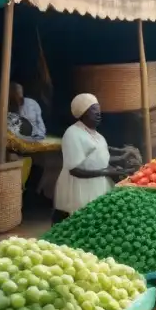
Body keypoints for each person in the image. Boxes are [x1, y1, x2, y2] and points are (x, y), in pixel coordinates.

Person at [53, 94, 125, 224]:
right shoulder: (73, 133)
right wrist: (106, 172)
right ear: (82, 112)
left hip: (97, 189)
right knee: (76, 224)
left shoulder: (99, 137)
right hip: (78, 190)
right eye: (93, 109)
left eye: (98, 109)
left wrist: (121, 164)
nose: (98, 113)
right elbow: (75, 170)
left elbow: (100, 160)